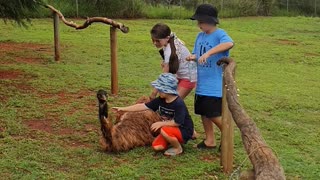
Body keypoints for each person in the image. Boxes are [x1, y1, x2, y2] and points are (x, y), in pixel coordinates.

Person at [186, 4, 234, 149]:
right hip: (201, 83)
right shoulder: (199, 36)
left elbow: (229, 43)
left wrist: (209, 53)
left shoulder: (220, 34)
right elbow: (197, 54)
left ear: (210, 21)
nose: (198, 25)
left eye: (201, 21)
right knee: (203, 113)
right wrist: (192, 57)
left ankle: (227, 136)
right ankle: (210, 140)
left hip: (214, 85)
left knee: (212, 113)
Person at [112, 73, 194, 156]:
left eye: (159, 89)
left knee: (163, 130)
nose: (157, 91)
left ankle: (178, 148)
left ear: (167, 90)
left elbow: (178, 122)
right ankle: (173, 138)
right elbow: (142, 106)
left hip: (183, 128)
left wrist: (161, 123)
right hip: (170, 128)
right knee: (157, 147)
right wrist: (123, 109)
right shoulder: (161, 100)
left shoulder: (178, 103)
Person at [150, 23, 197, 100]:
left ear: (167, 38)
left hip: (188, 77)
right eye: (153, 40)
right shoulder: (170, 39)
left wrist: (154, 92)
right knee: (168, 100)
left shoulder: (170, 50)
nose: (155, 43)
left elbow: (164, 75)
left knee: (173, 101)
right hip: (178, 76)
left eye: (158, 41)